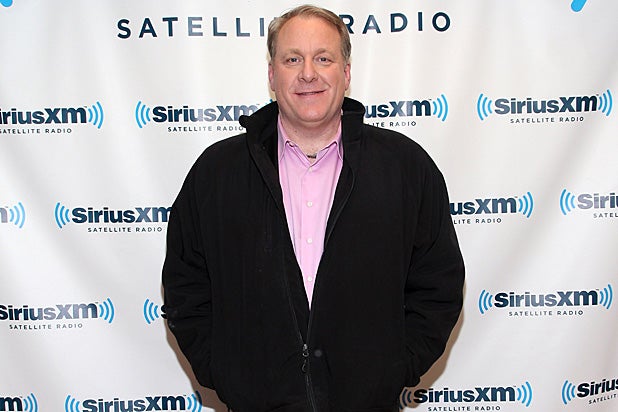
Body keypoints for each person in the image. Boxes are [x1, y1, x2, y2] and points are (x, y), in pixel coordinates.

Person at [162, 5, 464, 412]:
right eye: (292, 59)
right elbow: (186, 285)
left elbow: (439, 283)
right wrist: (225, 372)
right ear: (272, 75)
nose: (308, 74)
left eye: (323, 58)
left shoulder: (405, 167)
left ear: (346, 73)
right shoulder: (217, 173)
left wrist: (393, 369)